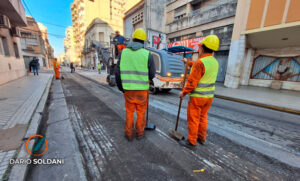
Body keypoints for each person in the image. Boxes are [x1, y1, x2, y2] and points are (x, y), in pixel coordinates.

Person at [179, 35, 220, 150]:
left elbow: (192, 82)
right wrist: (189, 62)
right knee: (203, 117)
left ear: (202, 48)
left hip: (197, 97)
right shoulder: (214, 62)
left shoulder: (200, 63)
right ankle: (202, 138)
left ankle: (192, 142)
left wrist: (183, 93)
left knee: (193, 119)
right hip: (209, 97)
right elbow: (202, 68)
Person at [115, 28, 156, 141]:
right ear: (143, 42)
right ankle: (139, 133)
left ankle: (128, 134)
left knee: (129, 112)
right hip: (142, 91)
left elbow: (117, 72)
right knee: (141, 113)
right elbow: (152, 74)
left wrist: (121, 88)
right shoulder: (148, 54)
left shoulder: (123, 53)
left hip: (128, 90)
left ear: (133, 39)